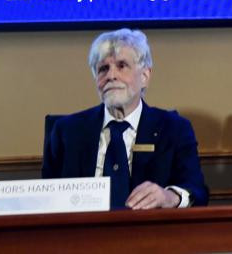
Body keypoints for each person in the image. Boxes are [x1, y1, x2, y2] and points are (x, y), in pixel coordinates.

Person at [42, 28, 208, 208]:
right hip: (81, 233)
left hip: (149, 233)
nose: (111, 76)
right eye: (103, 69)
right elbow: (47, 200)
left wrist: (168, 196)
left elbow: (197, 191)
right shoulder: (67, 132)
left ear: (144, 76)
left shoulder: (174, 129)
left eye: (122, 66)